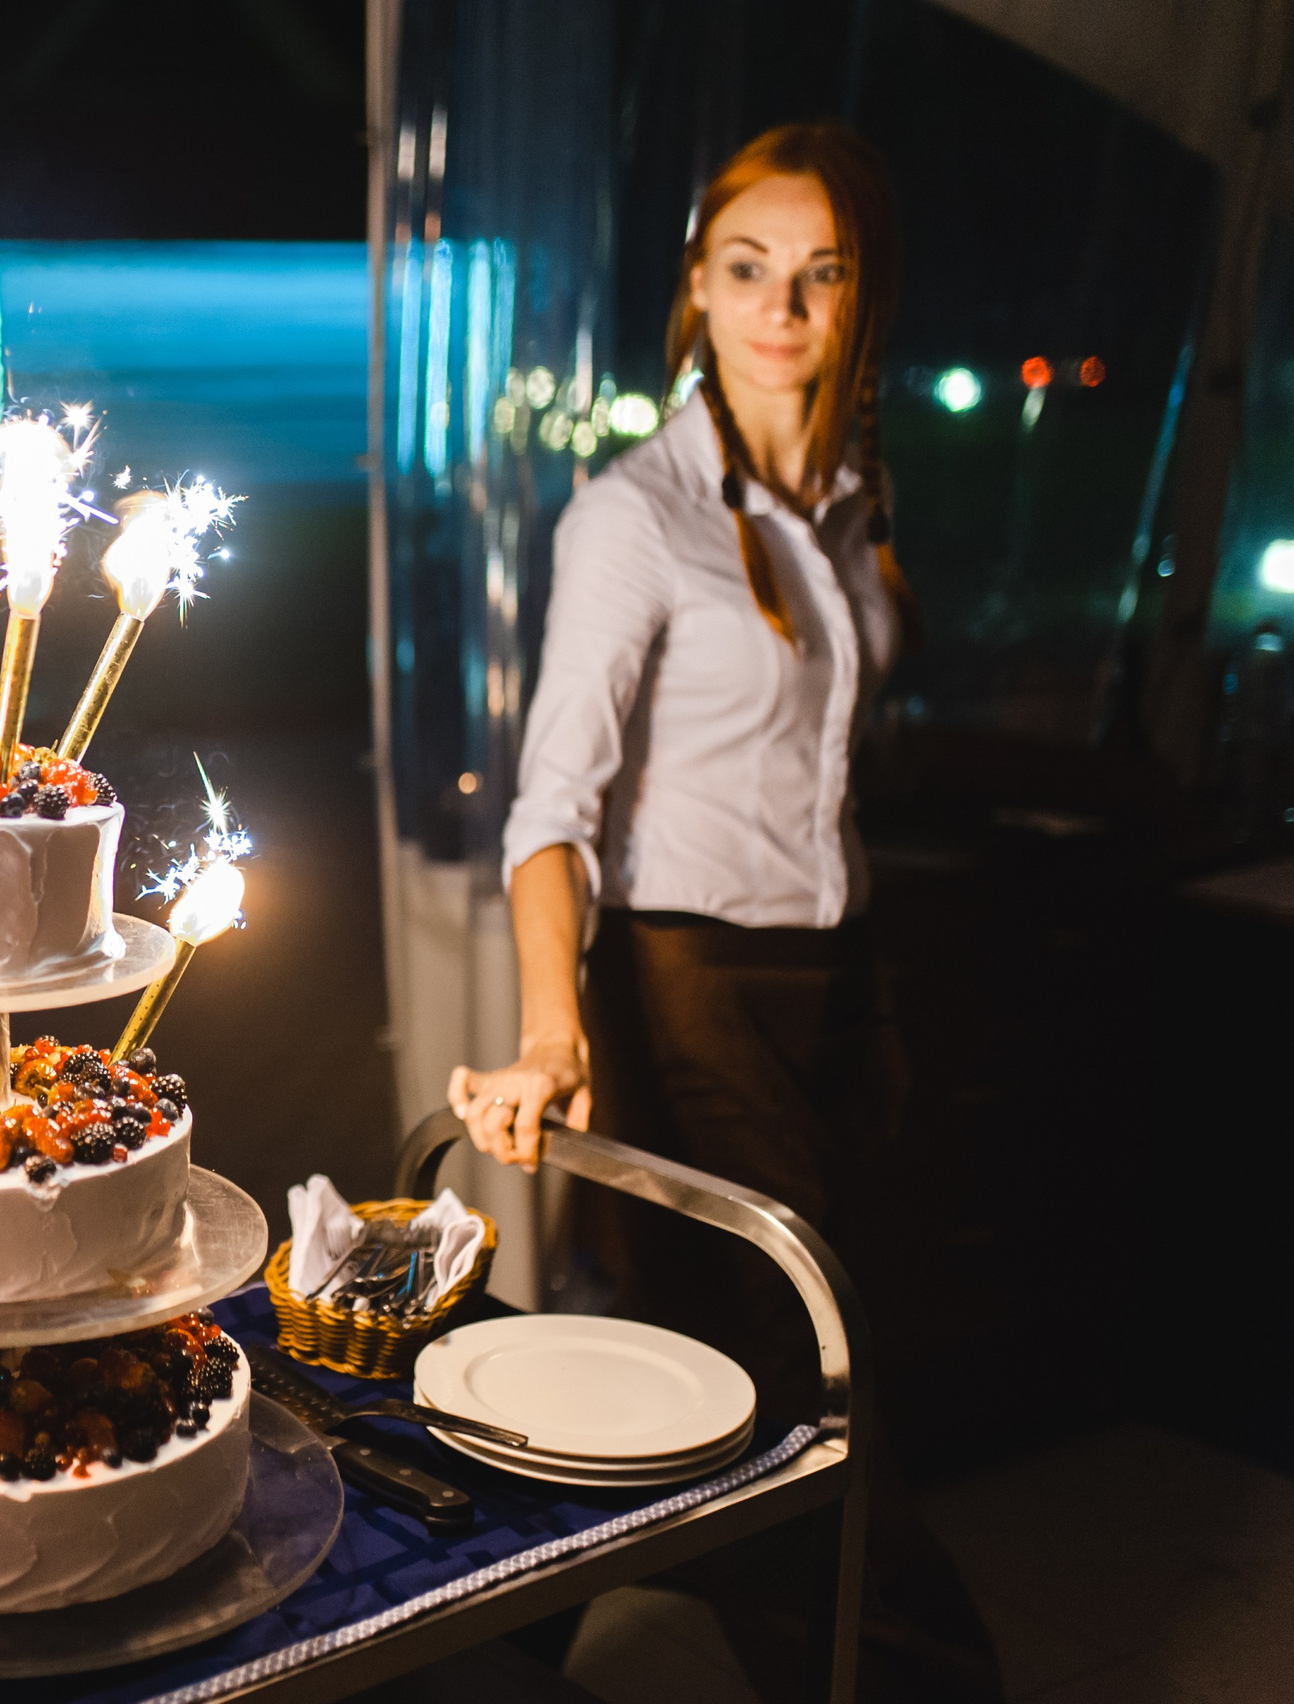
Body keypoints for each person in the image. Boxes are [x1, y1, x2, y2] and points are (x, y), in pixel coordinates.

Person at [446, 125, 1002, 1702]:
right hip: (689, 995)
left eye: (821, 277)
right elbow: (554, 809)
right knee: (818, 1395)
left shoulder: (849, 499)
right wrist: (557, 1027)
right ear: (697, 287)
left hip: (842, 980)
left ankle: (488, 1632)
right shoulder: (633, 518)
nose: (782, 309)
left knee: (721, 1359)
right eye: (749, 270)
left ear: (860, 300)